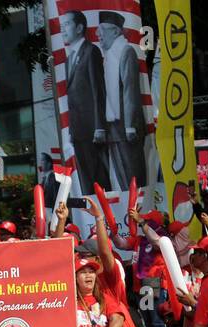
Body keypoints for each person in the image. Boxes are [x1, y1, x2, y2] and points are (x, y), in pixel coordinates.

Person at [61, 10, 109, 193]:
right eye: (61, 25)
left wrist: (99, 126)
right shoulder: (69, 59)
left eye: (67, 24)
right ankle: (91, 217)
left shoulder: (91, 52)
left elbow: (98, 91)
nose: (63, 30)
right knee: (86, 180)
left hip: (92, 129)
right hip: (78, 129)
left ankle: (105, 216)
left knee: (99, 178)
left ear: (80, 27)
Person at [97, 13, 145, 192]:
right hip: (114, 128)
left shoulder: (126, 51)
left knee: (132, 178)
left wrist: (130, 125)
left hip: (127, 127)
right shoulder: (109, 55)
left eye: (102, 31)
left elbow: (130, 90)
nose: (98, 35)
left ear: (115, 31)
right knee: (121, 178)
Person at [73, 257, 129, 327]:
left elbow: (118, 319)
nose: (88, 275)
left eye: (91, 272)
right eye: (83, 272)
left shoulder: (105, 299)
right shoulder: (70, 302)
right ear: (75, 278)